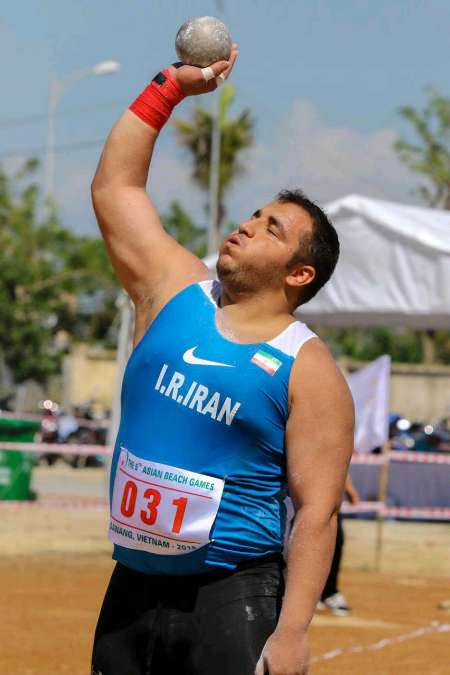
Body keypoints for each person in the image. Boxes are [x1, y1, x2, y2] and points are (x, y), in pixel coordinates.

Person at [90, 45, 354, 675]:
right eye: (255, 214)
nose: (247, 224)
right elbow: (114, 186)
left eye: (272, 229)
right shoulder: (170, 290)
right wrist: (168, 89)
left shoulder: (309, 369)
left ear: (300, 273)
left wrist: (292, 634)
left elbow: (317, 511)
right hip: (130, 585)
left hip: (233, 595)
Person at [316, 474, 360, 616]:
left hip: (329, 499)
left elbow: (340, 465)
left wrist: (350, 489)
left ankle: (329, 593)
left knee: (335, 543)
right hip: (300, 497)